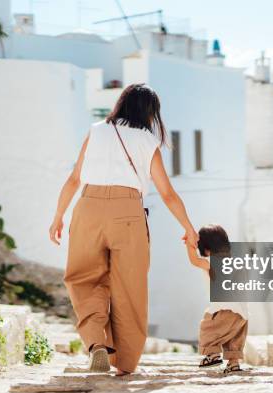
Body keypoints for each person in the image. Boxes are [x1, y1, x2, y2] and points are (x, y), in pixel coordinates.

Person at [49, 84, 198, 376]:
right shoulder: (148, 141)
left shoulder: (97, 130)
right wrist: (189, 228)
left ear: (121, 104)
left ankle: (97, 345)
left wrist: (58, 216)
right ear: (150, 113)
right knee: (130, 289)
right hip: (128, 212)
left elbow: (74, 179)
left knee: (84, 279)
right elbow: (167, 193)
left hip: (88, 208)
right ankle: (126, 363)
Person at [185, 224, 249, 374]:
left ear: (206, 248)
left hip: (223, 308)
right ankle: (233, 363)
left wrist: (189, 242)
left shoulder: (210, 262)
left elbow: (194, 260)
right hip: (242, 312)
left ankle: (212, 354)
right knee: (234, 337)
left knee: (208, 327)